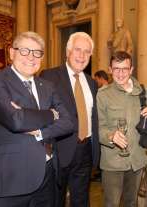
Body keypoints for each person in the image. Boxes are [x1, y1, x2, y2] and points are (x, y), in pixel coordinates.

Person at [0, 31, 75, 207]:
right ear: (11, 52)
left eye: (37, 52)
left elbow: (68, 122)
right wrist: (52, 114)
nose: (31, 57)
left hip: (47, 177)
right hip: (9, 181)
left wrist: (39, 132)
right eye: (25, 50)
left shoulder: (47, 86)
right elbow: (16, 121)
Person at [40, 32, 100, 207]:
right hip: (59, 150)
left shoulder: (92, 82)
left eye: (87, 52)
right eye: (77, 50)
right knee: (55, 201)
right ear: (67, 52)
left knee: (81, 200)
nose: (82, 56)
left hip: (85, 151)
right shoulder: (49, 76)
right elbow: (42, 113)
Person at [97, 51, 147, 206]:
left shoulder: (142, 91)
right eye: (116, 69)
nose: (120, 73)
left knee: (132, 202)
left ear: (132, 69)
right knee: (111, 204)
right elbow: (99, 128)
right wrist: (110, 136)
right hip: (113, 161)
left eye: (125, 69)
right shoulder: (103, 94)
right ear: (110, 69)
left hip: (136, 159)